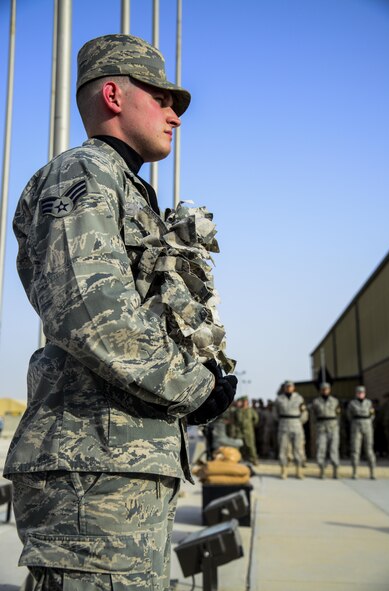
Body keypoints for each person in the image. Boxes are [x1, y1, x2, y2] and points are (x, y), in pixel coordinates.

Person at [4, 34, 237, 591]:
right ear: (113, 95)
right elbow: (91, 311)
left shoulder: (125, 188)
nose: (174, 114)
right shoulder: (82, 175)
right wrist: (195, 388)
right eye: (162, 98)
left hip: (121, 467)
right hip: (94, 479)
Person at [274, 381, 308, 479]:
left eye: (290, 387)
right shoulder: (279, 399)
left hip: (296, 425)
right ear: (284, 388)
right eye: (287, 387)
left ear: (293, 388)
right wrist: (281, 421)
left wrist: (298, 422)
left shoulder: (299, 398)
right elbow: (275, 413)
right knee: (283, 449)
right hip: (283, 425)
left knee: (298, 449)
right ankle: (284, 471)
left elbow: (304, 413)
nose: (288, 388)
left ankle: (299, 471)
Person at [312, 382, 341, 479]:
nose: (325, 390)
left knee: (334, 449)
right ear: (320, 390)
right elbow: (313, 415)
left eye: (327, 389)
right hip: (321, 427)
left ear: (329, 390)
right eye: (323, 389)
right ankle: (322, 471)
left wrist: (336, 425)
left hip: (333, 426)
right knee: (321, 448)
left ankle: (335, 471)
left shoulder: (335, 401)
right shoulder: (316, 402)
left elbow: (338, 414)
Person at [347, 385, 376, 479]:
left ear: (364, 393)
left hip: (367, 426)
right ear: (356, 393)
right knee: (355, 450)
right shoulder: (352, 403)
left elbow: (372, 415)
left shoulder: (368, 403)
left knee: (369, 450)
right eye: (359, 392)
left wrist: (367, 421)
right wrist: (356, 422)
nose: (360, 394)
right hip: (356, 427)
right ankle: (355, 472)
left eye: (362, 392)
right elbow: (349, 416)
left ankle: (372, 472)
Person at [233, 396, 259, 465]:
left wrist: (250, 425)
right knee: (238, 445)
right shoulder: (238, 411)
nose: (244, 403)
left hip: (249, 431)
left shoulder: (251, 410)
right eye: (243, 401)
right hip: (239, 430)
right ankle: (237, 458)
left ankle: (254, 459)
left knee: (250, 446)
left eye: (246, 401)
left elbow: (256, 419)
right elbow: (234, 420)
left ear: (247, 402)